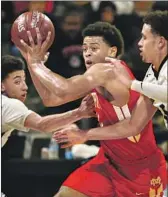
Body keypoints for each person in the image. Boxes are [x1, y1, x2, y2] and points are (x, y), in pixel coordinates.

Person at [19, 21, 167, 196]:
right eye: (84, 49)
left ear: (112, 52)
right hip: (108, 162)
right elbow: (50, 99)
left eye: (94, 48)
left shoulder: (108, 71)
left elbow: (62, 89)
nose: (87, 53)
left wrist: (37, 64)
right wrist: (30, 62)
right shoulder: (96, 80)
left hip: (141, 170)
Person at [1, 55, 95, 148]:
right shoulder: (9, 104)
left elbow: (29, 125)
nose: (25, 87)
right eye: (17, 82)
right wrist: (79, 113)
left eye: (24, 81)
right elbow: (41, 124)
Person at [105, 10, 167, 128]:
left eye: (144, 37)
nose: (139, 43)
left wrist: (132, 83)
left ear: (160, 42)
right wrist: (85, 134)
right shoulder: (152, 73)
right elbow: (133, 126)